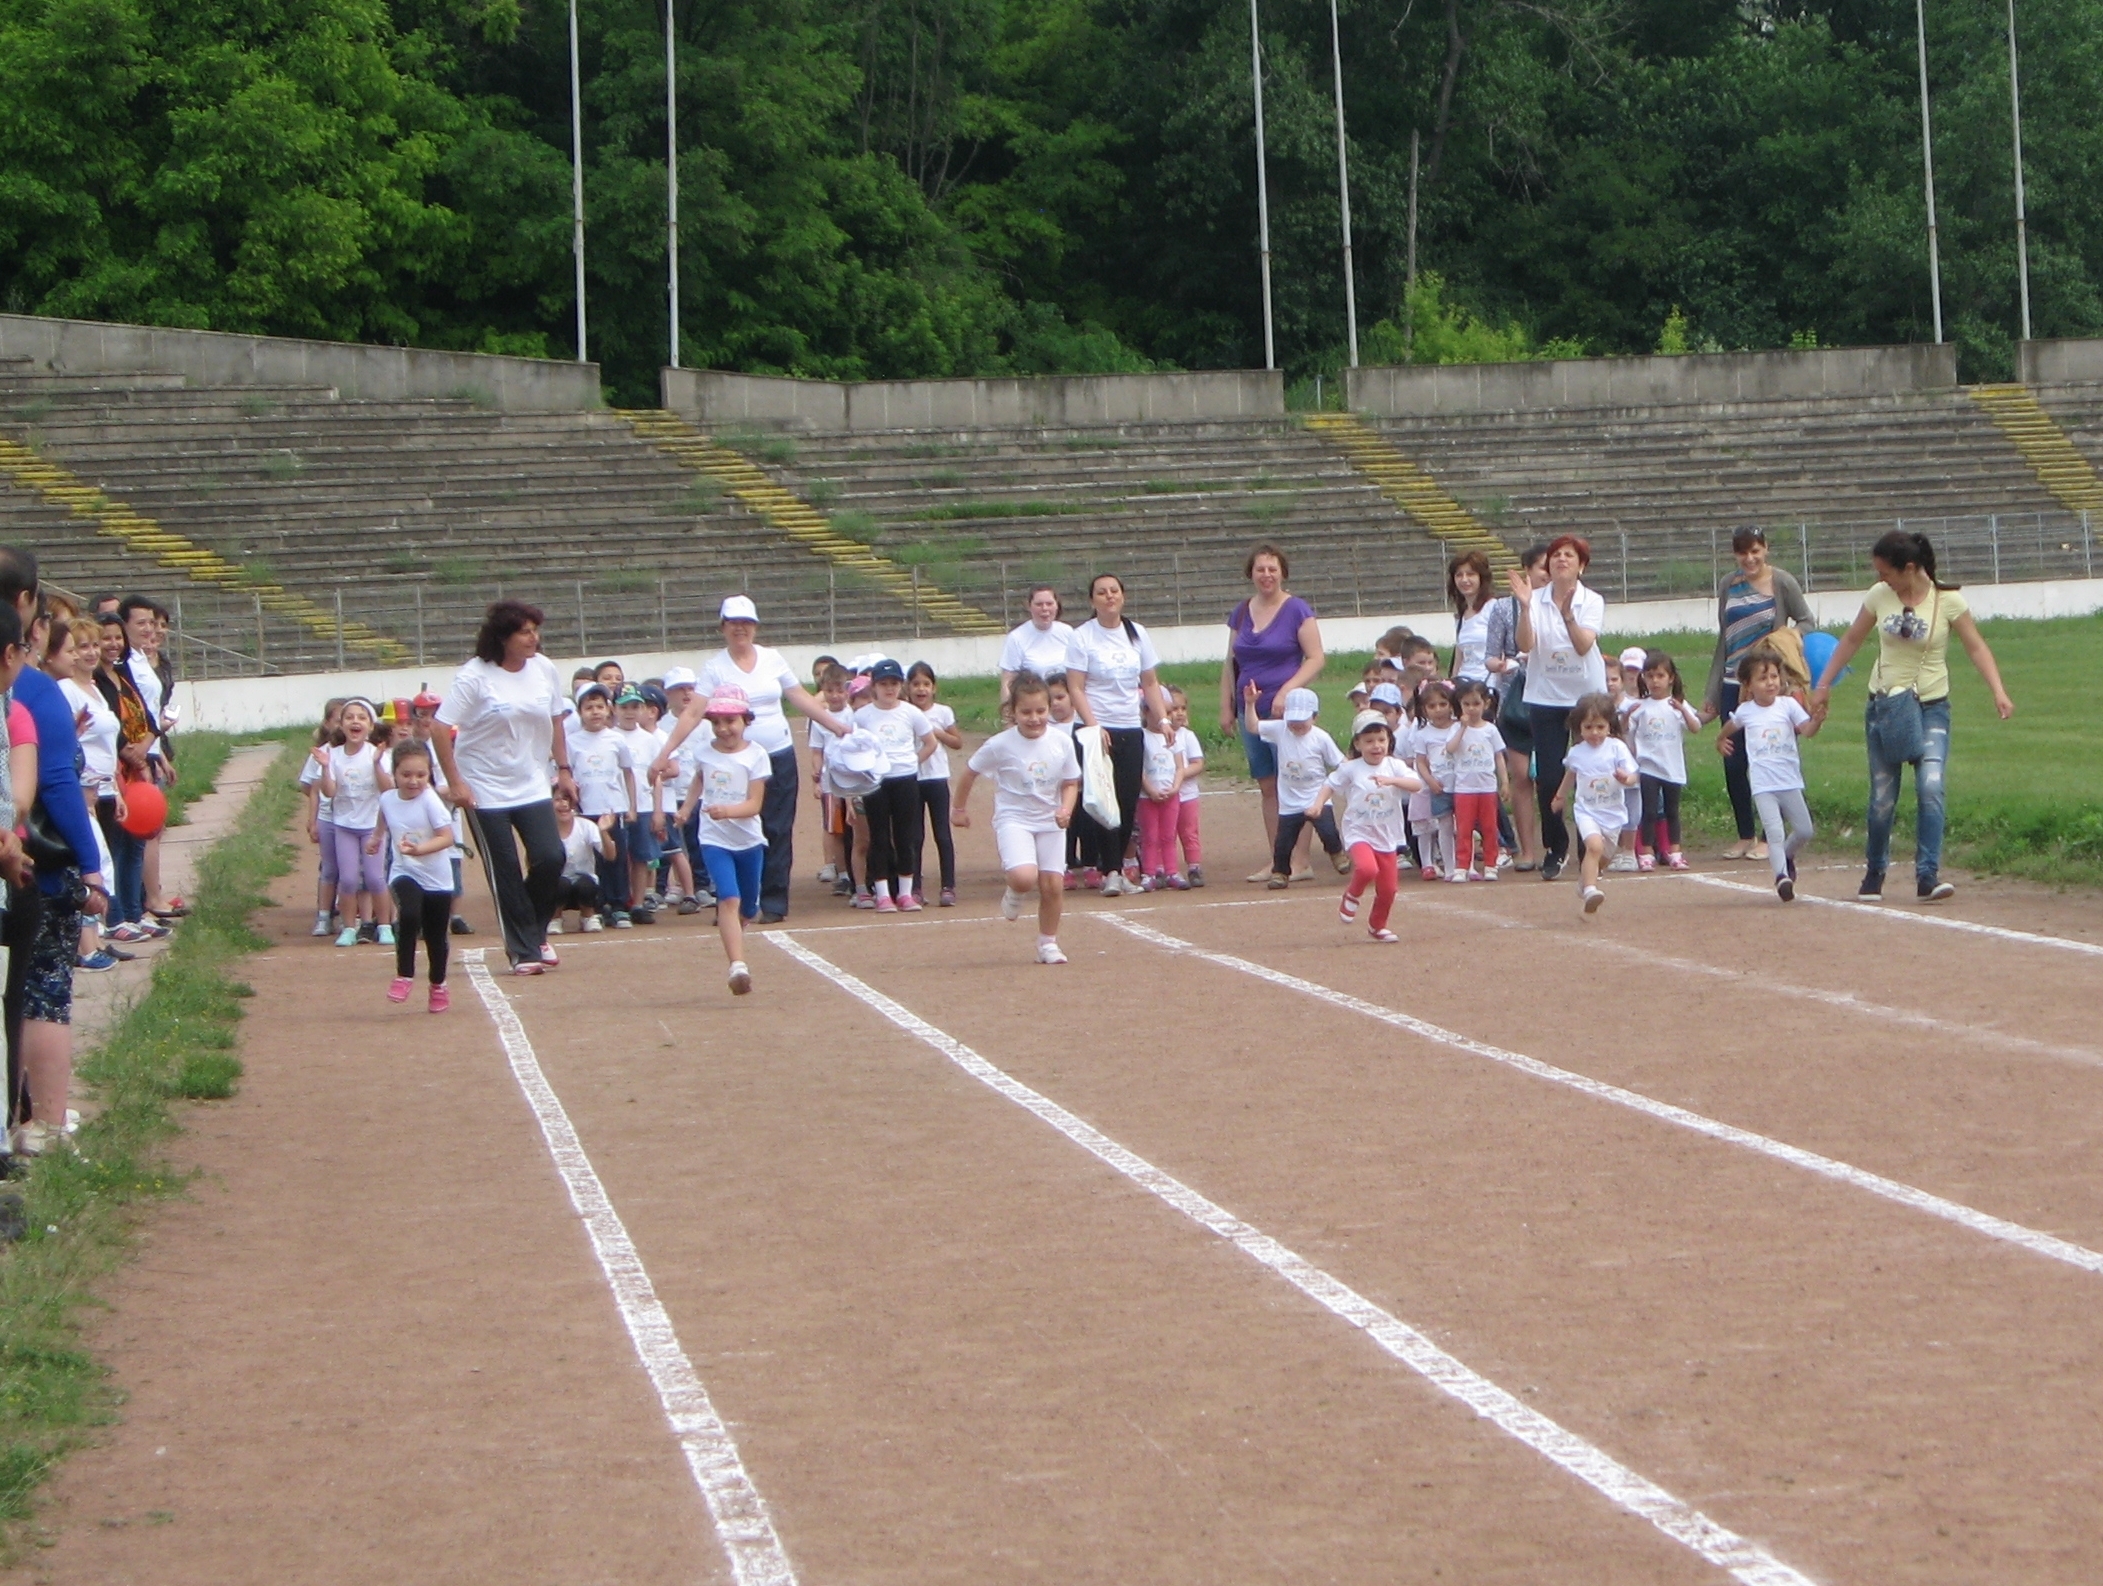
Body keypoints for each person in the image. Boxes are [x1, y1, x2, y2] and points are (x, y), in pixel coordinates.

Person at [1810, 529, 2013, 902]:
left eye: (1885, 572)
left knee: (1930, 787)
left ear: (1909, 568)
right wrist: (1823, 684)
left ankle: (1927, 874)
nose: (1880, 578)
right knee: (1883, 798)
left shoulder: (1948, 601)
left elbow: (1976, 647)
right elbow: (1852, 638)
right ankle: (1875, 871)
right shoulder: (1879, 596)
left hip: (1932, 705)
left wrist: (1998, 691)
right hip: (1885, 706)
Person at [0, 555, 111, 1159]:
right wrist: (91, 863)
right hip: (29, 869)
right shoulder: (33, 691)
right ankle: (40, 1121)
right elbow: (58, 789)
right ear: (24, 608)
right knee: (43, 989)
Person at [658, 597, 846, 924]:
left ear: (756, 626)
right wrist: (665, 752)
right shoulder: (715, 667)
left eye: (746, 622)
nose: (740, 628)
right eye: (733, 622)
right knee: (730, 827)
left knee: (776, 828)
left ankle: (773, 901)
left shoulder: (772, 659)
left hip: (777, 755)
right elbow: (693, 712)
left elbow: (799, 697)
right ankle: (735, 901)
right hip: (733, 762)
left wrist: (838, 727)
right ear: (723, 627)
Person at [433, 600, 577, 976]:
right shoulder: (475, 676)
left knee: (550, 857)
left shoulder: (543, 669)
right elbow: (439, 728)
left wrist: (563, 769)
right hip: (483, 785)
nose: (534, 639)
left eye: (535, 630)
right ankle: (524, 950)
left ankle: (533, 927)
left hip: (531, 779)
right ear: (503, 637)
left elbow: (556, 720)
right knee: (505, 868)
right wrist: (456, 783)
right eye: (525, 632)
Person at [1701, 527, 1815, 861]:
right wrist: (1712, 689)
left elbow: (1807, 620)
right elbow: (1725, 639)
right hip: (1734, 682)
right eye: (1742, 553)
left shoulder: (1782, 582)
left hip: (1769, 683)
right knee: (1734, 763)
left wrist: (1784, 637)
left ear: (1765, 548)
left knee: (1771, 756)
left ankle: (1770, 836)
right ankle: (1744, 833)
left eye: (1755, 551)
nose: (1749, 559)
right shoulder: (1728, 585)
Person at [952, 673, 1081, 965]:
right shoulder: (1000, 744)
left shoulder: (1062, 741)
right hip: (1015, 819)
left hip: (1051, 820)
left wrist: (1066, 809)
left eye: (1040, 711)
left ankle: (1048, 943)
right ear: (1012, 712)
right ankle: (1015, 890)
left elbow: (1071, 782)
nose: (1034, 718)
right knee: (1025, 877)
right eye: (1026, 712)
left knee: (1053, 885)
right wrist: (958, 809)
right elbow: (970, 772)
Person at [1218, 545, 1326, 883]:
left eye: (1272, 569)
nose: (1266, 575)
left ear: (1283, 573)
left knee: (1295, 781)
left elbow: (1316, 657)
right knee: (1268, 785)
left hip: (1288, 711)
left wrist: (1286, 691)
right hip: (1252, 708)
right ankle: (1278, 858)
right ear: (1251, 573)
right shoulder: (1241, 612)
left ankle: (1301, 859)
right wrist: (1227, 705)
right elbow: (1231, 661)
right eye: (1260, 569)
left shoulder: (1297, 610)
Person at [1507, 534, 1607, 882]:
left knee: (1591, 773)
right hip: (1545, 695)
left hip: (1585, 698)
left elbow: (1582, 646)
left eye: (1569, 555)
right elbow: (1525, 644)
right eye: (1556, 555)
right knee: (1549, 777)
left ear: (1581, 565)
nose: (1561, 560)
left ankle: (1589, 846)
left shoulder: (1591, 600)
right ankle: (1556, 845)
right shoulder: (1533, 599)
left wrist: (1567, 616)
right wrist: (1523, 608)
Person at [1067, 573, 1170, 896]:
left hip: (1130, 726)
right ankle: (1109, 869)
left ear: (1122, 596)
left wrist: (1163, 719)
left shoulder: (1136, 633)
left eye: (1114, 591)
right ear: (1092, 600)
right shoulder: (1082, 637)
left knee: (1127, 801)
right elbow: (1075, 687)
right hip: (1097, 727)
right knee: (1102, 799)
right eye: (1101, 592)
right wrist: (1093, 725)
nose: (1109, 596)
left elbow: (1149, 682)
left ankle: (1119, 869)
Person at [674, 685, 773, 995]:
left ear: (745, 720)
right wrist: (688, 808)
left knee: (748, 907)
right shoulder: (704, 752)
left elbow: (755, 804)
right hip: (714, 838)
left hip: (748, 840)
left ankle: (737, 935)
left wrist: (727, 810)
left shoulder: (756, 755)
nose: (723, 729)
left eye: (730, 721)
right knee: (728, 898)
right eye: (716, 722)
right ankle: (737, 966)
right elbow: (699, 779)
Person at [1718, 649, 1821, 901]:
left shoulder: (1788, 705)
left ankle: (1786, 855)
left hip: (1789, 781)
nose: (1771, 683)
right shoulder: (1746, 711)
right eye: (1763, 679)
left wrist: (1817, 720)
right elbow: (1730, 726)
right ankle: (1781, 877)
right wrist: (1720, 740)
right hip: (1763, 784)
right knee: (1774, 832)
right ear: (1749, 685)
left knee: (1805, 830)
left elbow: (1806, 730)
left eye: (1774, 676)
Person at [1307, 712, 1419, 942]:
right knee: (1368, 869)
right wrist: (1318, 805)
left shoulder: (1395, 765)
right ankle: (1353, 893)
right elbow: (1330, 784)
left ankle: (1377, 926)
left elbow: (1416, 784)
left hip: (1387, 834)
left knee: (1388, 889)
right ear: (1357, 744)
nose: (1376, 746)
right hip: (1359, 831)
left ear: (1389, 740)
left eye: (1381, 739)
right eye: (1369, 741)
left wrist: (1393, 781)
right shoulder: (1352, 768)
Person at [373, 742, 456, 1010]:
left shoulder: (430, 801)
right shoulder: (387, 798)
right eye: (406, 775)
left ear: (429, 773)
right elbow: (384, 816)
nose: (413, 781)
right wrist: (376, 838)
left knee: (435, 936)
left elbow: (447, 837)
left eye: (421, 775)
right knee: (409, 914)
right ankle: (404, 974)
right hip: (404, 871)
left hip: (437, 878)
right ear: (394, 773)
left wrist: (419, 849)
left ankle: (438, 984)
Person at [852, 659, 934, 912]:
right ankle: (883, 893)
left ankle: (906, 892)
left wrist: (912, 762)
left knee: (905, 835)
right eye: (884, 684)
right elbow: (853, 748)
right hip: (876, 782)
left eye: (894, 684)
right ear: (874, 687)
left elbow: (930, 742)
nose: (889, 689)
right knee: (878, 836)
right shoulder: (862, 716)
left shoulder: (911, 713)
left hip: (905, 779)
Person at [1244, 684, 1345, 888]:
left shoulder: (1321, 738)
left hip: (1316, 797)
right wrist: (1249, 704)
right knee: (1283, 842)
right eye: (1293, 720)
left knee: (1328, 832)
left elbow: (1340, 763)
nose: (1297, 725)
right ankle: (1280, 873)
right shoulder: (1280, 730)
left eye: (1302, 720)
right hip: (1290, 802)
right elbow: (1253, 727)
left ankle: (1337, 853)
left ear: (1314, 717)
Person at [1484, 544, 1546, 869]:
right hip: (1514, 700)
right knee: (1521, 777)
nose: (1547, 575)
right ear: (1527, 570)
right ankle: (1526, 850)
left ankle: (1555, 844)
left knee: (1553, 773)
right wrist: (1506, 664)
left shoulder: (1565, 606)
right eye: (1541, 569)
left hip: (1554, 697)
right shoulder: (1502, 608)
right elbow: (1490, 656)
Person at [1550, 692, 1638, 916]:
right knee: (1594, 847)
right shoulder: (1577, 753)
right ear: (1579, 728)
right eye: (1588, 727)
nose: (1595, 733)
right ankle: (1590, 890)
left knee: (1604, 857)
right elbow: (1571, 774)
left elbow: (1633, 774)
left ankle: (1584, 881)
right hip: (1587, 811)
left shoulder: (1617, 747)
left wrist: (1625, 779)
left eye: (1600, 726)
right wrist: (1560, 796)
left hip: (1612, 812)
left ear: (1609, 725)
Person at [316, 699, 393, 946]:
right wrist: (326, 768)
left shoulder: (377, 754)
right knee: (347, 879)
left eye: (362, 717)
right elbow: (329, 792)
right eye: (349, 717)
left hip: (372, 826)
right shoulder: (334, 755)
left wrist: (378, 764)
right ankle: (349, 928)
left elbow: (388, 789)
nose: (355, 722)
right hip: (344, 825)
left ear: (370, 726)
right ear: (341, 725)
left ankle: (384, 925)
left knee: (375, 878)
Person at [1627, 651, 1701, 871]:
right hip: (1648, 766)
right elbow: (1628, 734)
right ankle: (1647, 851)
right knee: (1648, 810)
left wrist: (1682, 710)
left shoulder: (1677, 705)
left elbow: (1695, 727)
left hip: (1672, 766)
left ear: (1671, 678)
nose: (1655, 681)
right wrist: (1624, 717)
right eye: (1650, 676)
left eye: (1660, 675)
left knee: (1672, 811)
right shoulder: (1640, 707)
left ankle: (1675, 851)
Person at [907, 662, 960, 906]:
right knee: (914, 835)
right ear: (907, 687)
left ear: (934, 688)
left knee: (942, 834)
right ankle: (914, 886)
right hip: (911, 779)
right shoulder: (904, 712)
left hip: (937, 777)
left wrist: (935, 732)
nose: (921, 689)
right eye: (916, 684)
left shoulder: (943, 712)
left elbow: (957, 742)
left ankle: (948, 886)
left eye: (926, 684)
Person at [1443, 681, 1507, 880]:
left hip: (1487, 786)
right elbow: (1451, 749)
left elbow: (1499, 756)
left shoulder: (1490, 730)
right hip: (1464, 787)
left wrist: (1504, 781)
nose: (1471, 708)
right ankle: (1462, 866)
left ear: (1485, 704)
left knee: (1489, 827)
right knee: (1464, 828)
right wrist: (1462, 728)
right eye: (1467, 704)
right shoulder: (1456, 729)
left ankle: (1490, 864)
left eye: (1476, 703)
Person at [1411, 680, 1460, 881]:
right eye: (1432, 706)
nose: (1438, 710)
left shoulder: (1459, 728)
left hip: (1463, 784)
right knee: (1445, 825)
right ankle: (1450, 867)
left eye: (1443, 704)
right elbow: (1421, 761)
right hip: (1440, 786)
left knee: (1465, 826)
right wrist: (1430, 781)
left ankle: (1466, 865)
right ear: (1424, 709)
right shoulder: (1423, 734)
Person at [1137, 706, 1189, 891]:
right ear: (1145, 713)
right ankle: (1149, 873)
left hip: (1170, 795)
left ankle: (1172, 871)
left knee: (1168, 835)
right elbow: (1139, 769)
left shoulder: (1173, 737)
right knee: (1150, 835)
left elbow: (1180, 767)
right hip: (1147, 797)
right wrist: (1150, 790)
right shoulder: (1142, 737)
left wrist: (1175, 788)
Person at [998, 586, 1076, 706]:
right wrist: (1008, 715)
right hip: (1034, 707)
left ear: (1057, 605)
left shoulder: (1067, 632)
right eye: (1039, 604)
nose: (1044, 608)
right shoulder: (1016, 637)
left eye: (1049, 603)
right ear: (1029, 606)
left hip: (1065, 708)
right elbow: (1008, 682)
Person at [549, 788, 613, 933]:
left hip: (584, 882)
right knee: (560, 883)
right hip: (557, 884)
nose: (563, 804)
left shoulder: (586, 826)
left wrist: (603, 831)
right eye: (558, 800)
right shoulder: (545, 829)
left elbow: (610, 856)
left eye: (567, 800)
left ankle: (588, 916)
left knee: (586, 884)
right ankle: (554, 918)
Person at [1165, 686, 1206, 887]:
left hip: (1187, 795)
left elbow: (1197, 763)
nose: (1179, 713)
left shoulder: (1186, 736)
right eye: (1173, 709)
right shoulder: (1153, 736)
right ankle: (1166, 868)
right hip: (1164, 796)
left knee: (1189, 832)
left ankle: (1194, 867)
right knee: (1166, 833)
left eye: (1182, 708)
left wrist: (1178, 776)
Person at [1447, 551, 1497, 683]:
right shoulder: (1461, 616)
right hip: (1463, 684)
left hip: (1487, 686)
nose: (1464, 580)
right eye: (1459, 575)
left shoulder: (1494, 608)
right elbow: (1459, 658)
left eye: (1470, 574)